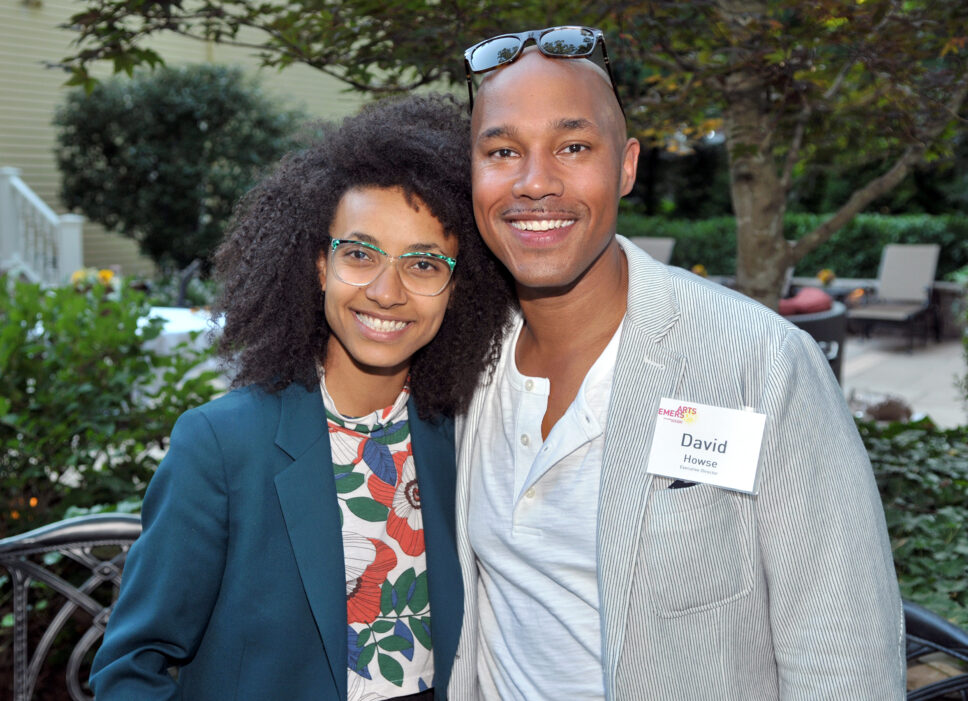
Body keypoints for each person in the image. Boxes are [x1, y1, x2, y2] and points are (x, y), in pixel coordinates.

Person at [448, 27, 905, 700]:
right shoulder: (463, 360)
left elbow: (845, 657)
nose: (535, 181)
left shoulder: (761, 362)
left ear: (627, 166)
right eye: (502, 150)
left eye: (574, 147)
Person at [90, 94, 513, 701]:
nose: (387, 292)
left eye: (423, 264)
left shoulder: (462, 434)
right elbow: (130, 668)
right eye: (361, 255)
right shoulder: (222, 444)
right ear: (318, 264)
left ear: (458, 286)